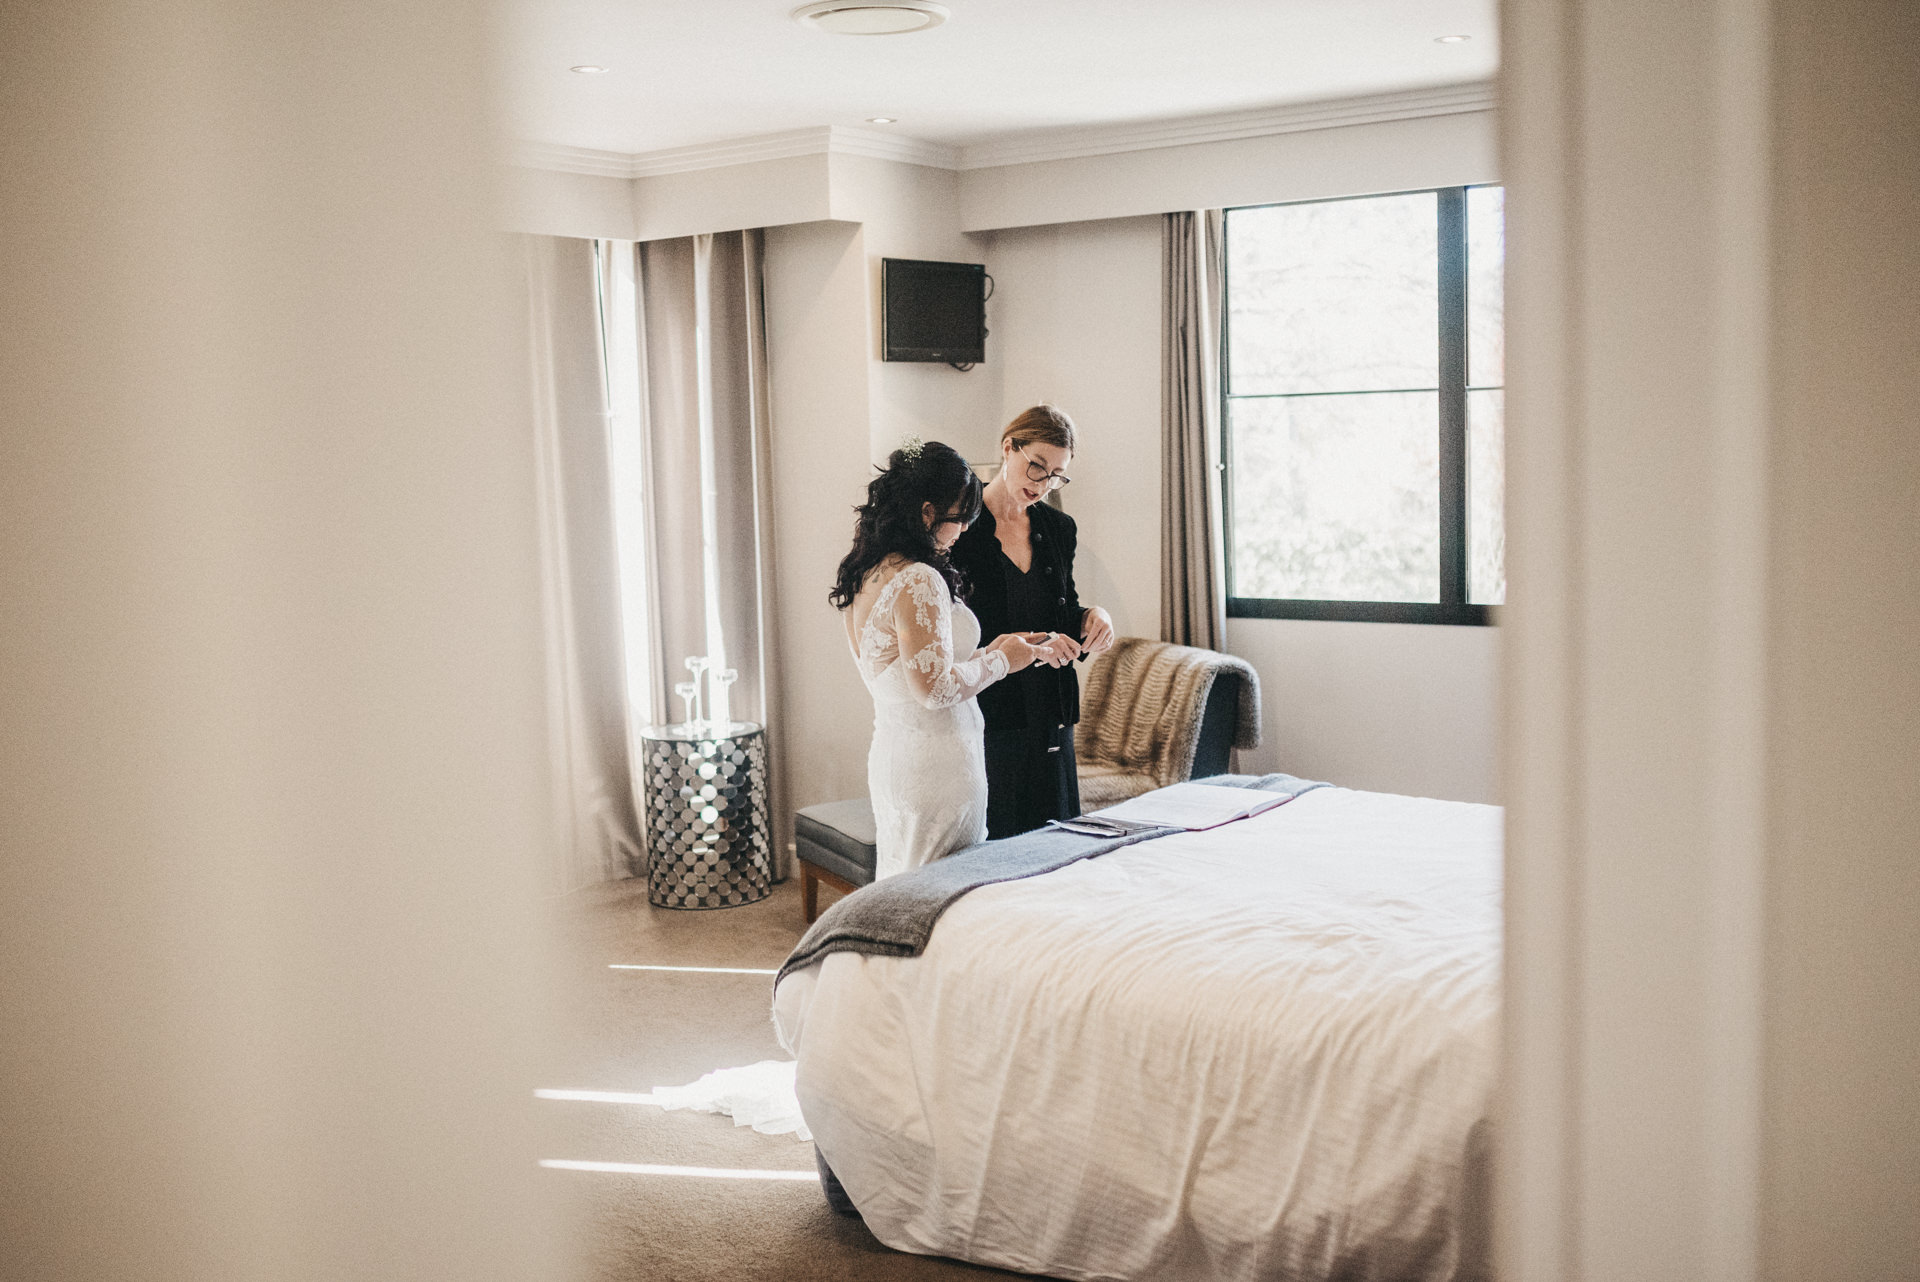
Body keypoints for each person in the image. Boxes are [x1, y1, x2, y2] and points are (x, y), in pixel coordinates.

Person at [830, 440, 1072, 879]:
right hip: (939, 769)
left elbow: (909, 671)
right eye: (960, 518)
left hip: (896, 757)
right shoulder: (919, 578)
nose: (962, 531)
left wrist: (997, 648)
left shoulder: (869, 569)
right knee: (944, 892)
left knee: (905, 886)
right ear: (927, 512)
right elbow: (934, 689)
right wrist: (1003, 663)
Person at [948, 405, 1115, 839]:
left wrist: (1093, 618)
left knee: (1056, 839)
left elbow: (1062, 610)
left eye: (1057, 475)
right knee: (998, 838)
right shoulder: (959, 528)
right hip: (990, 703)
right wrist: (1012, 644)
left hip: (1049, 703)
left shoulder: (1059, 528)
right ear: (1009, 448)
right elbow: (950, 632)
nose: (1042, 485)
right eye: (1036, 467)